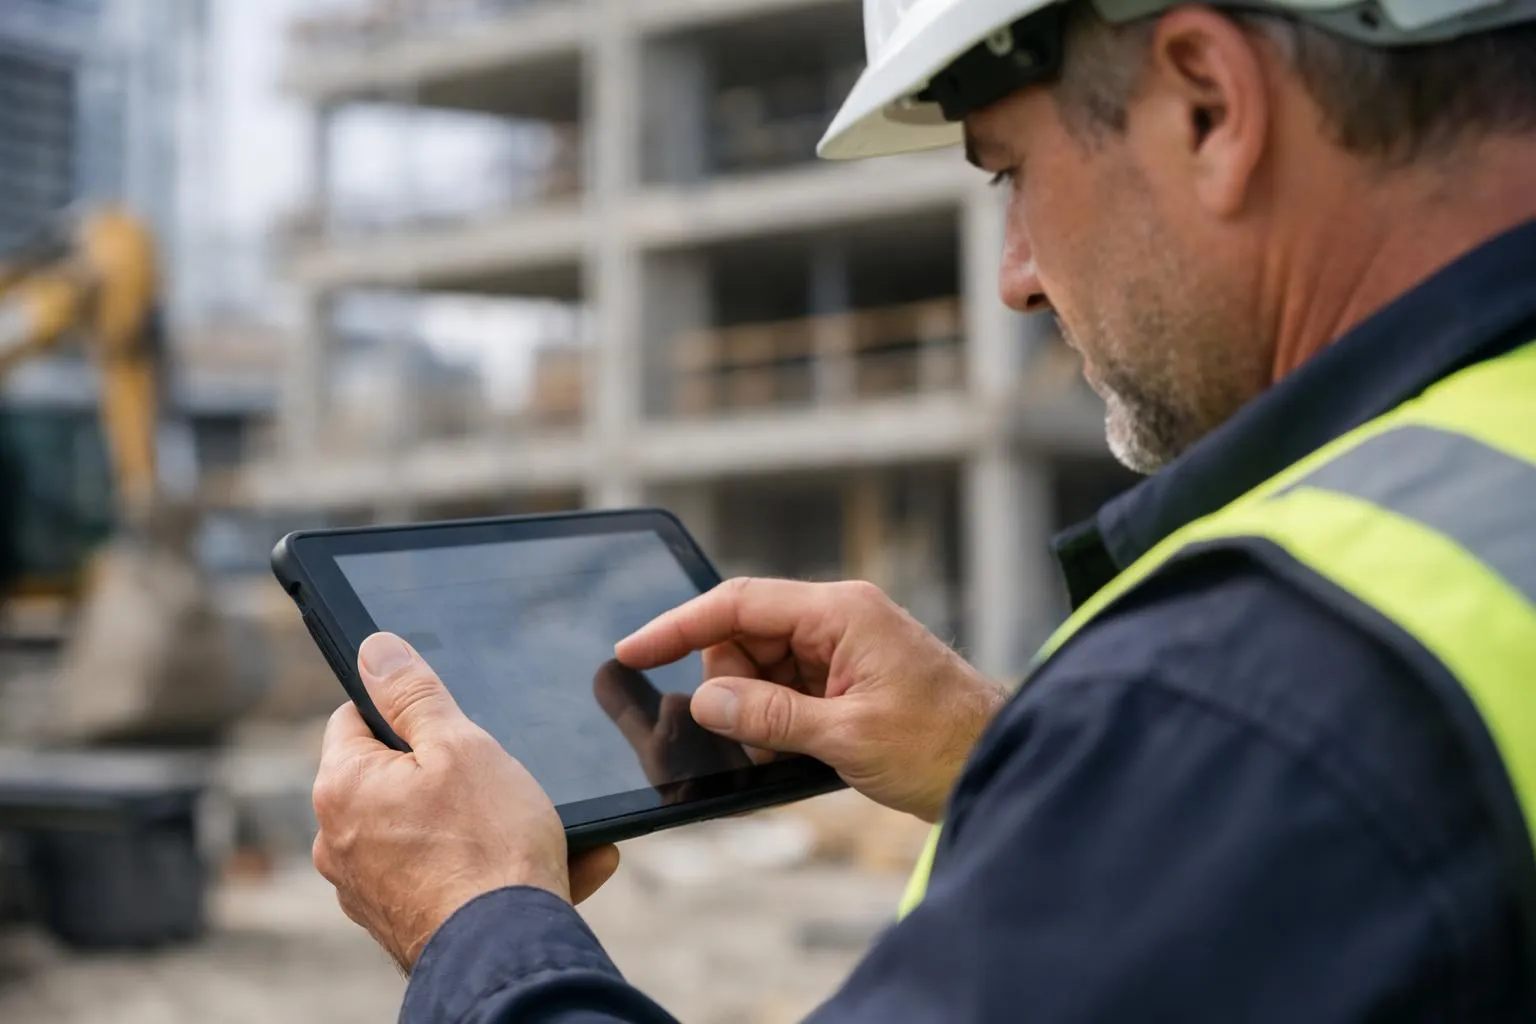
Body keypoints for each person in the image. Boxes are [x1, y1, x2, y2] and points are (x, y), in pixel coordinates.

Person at [310, 0, 1536, 1018]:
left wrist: (477, 924)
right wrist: (1014, 758)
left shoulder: (1253, 696)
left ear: (1208, 103)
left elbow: (1292, 768)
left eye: (1010, 171)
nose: (1012, 277)